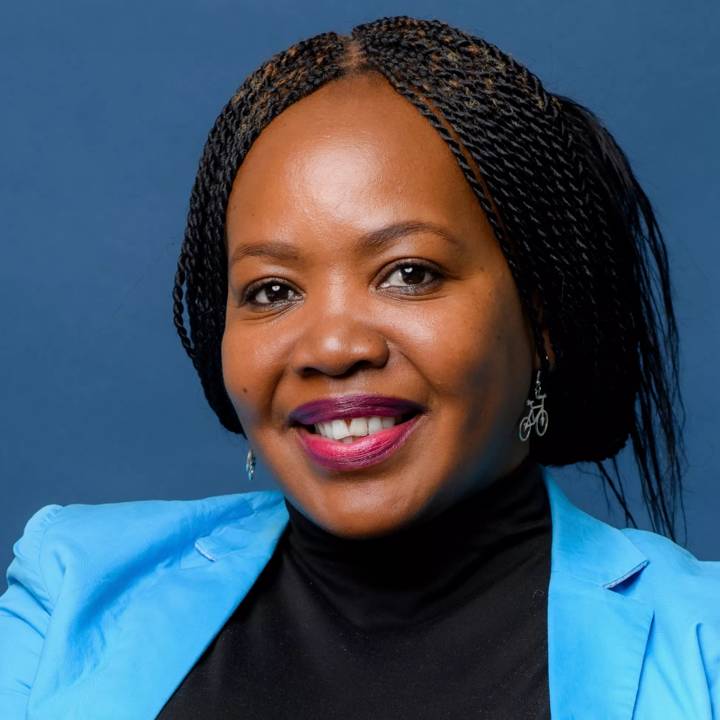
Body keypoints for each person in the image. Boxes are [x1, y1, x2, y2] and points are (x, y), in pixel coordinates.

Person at [1, 14, 718, 720]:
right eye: (272, 290)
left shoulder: (703, 646)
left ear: (544, 320)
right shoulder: (72, 589)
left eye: (409, 273)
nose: (332, 347)